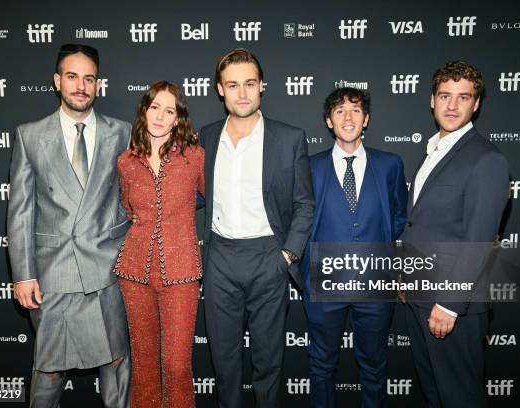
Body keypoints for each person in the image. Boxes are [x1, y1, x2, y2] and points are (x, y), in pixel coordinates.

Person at [7, 43, 131, 408]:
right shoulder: (30, 135)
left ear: (98, 85)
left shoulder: (121, 133)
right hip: (52, 274)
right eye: (73, 77)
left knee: (116, 365)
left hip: (107, 271)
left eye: (89, 78)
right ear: (57, 81)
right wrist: (23, 274)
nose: (81, 86)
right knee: (49, 371)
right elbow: (20, 211)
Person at [199, 48, 314, 407]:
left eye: (249, 83)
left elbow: (304, 204)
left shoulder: (289, 138)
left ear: (262, 86)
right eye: (233, 85)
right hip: (220, 259)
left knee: (268, 361)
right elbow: (196, 201)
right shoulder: (206, 136)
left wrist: (286, 255)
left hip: (268, 257)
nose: (243, 93)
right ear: (220, 89)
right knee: (225, 361)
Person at [402, 61, 510, 407]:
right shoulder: (434, 151)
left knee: (459, 398)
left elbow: (478, 239)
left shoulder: (486, 159)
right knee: (434, 394)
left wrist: (449, 305)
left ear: (476, 104)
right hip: (420, 296)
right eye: (445, 96)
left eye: (463, 97)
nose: (452, 106)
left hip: (451, 307)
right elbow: (423, 224)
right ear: (432, 100)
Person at [302, 87, 407, 407]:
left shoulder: (390, 164)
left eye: (356, 110)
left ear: (367, 119)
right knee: (321, 365)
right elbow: (296, 220)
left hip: (376, 283)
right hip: (324, 282)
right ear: (329, 121)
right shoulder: (309, 166)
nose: (348, 117)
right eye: (339, 111)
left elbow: (400, 215)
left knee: (374, 365)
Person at [113, 81, 204, 408]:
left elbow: (213, 201)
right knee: (144, 365)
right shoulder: (126, 161)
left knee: (177, 366)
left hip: (181, 272)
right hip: (134, 272)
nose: (161, 116)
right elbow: (127, 207)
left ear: (178, 118)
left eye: (170, 110)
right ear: (144, 110)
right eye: (155, 107)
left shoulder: (195, 158)